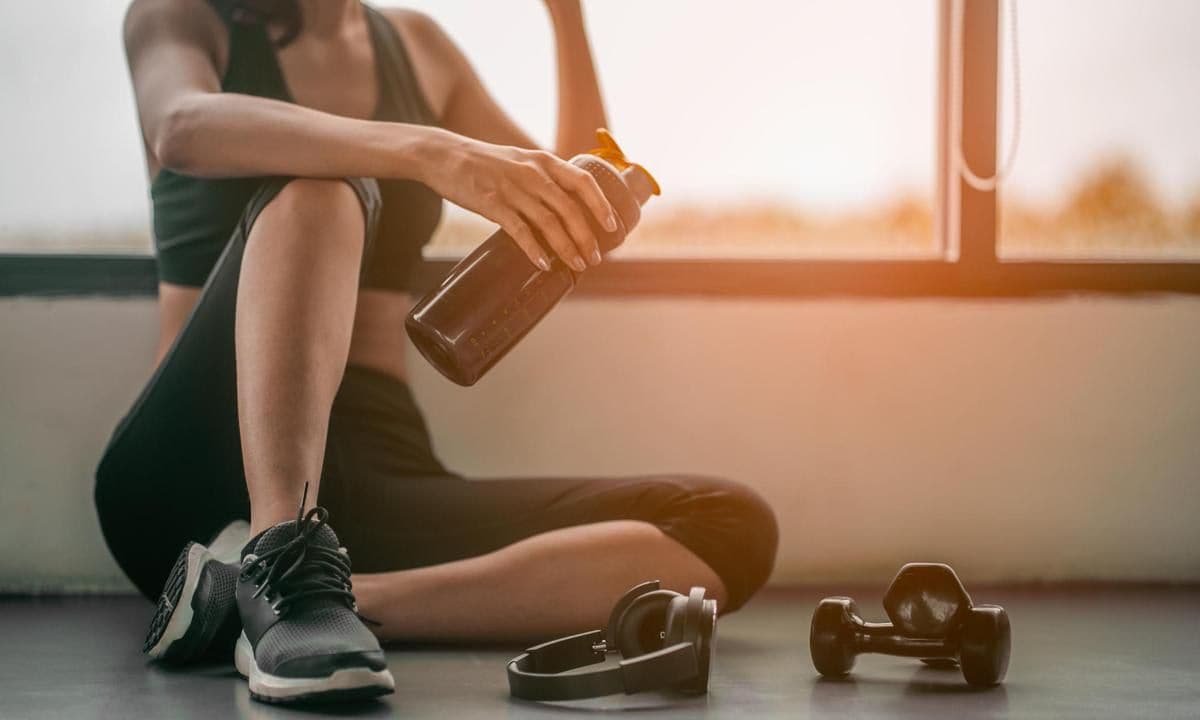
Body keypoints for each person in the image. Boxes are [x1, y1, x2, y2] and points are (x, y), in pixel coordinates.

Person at [95, 0, 777, 704]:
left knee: (728, 524)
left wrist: (567, 19)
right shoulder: (181, 15)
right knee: (323, 190)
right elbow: (180, 126)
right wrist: (430, 151)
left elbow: (569, 197)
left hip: (374, 476)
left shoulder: (417, 45)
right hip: (193, 461)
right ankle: (280, 560)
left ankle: (286, 600)